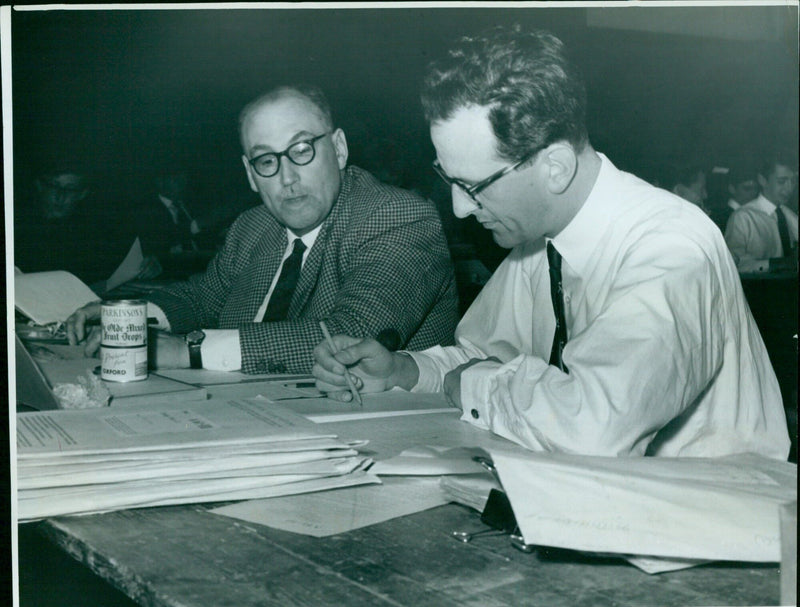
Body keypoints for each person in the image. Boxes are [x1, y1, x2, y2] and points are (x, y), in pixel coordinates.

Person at [313, 26, 789, 460]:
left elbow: (593, 426)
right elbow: (489, 359)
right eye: (448, 179)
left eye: (474, 186)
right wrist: (401, 372)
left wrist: (474, 384)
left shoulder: (670, 245)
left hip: (706, 532)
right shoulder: (538, 242)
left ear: (556, 167)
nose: (459, 208)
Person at [67, 84, 459, 374]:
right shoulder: (253, 226)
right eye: (266, 161)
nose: (287, 177)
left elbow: (350, 336)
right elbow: (203, 298)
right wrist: (128, 316)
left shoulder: (399, 215)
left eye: (302, 150)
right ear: (250, 175)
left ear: (338, 149)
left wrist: (185, 350)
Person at [14, 160, 132, 291]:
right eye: (54, 185)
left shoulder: (90, 234)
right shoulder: (18, 225)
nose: (60, 196)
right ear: (40, 185)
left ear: (82, 194)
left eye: (70, 189)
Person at [724, 153, 798, 274]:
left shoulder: (789, 215)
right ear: (762, 180)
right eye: (782, 181)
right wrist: (778, 264)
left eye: (793, 181)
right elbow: (733, 264)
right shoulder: (743, 217)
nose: (789, 188)